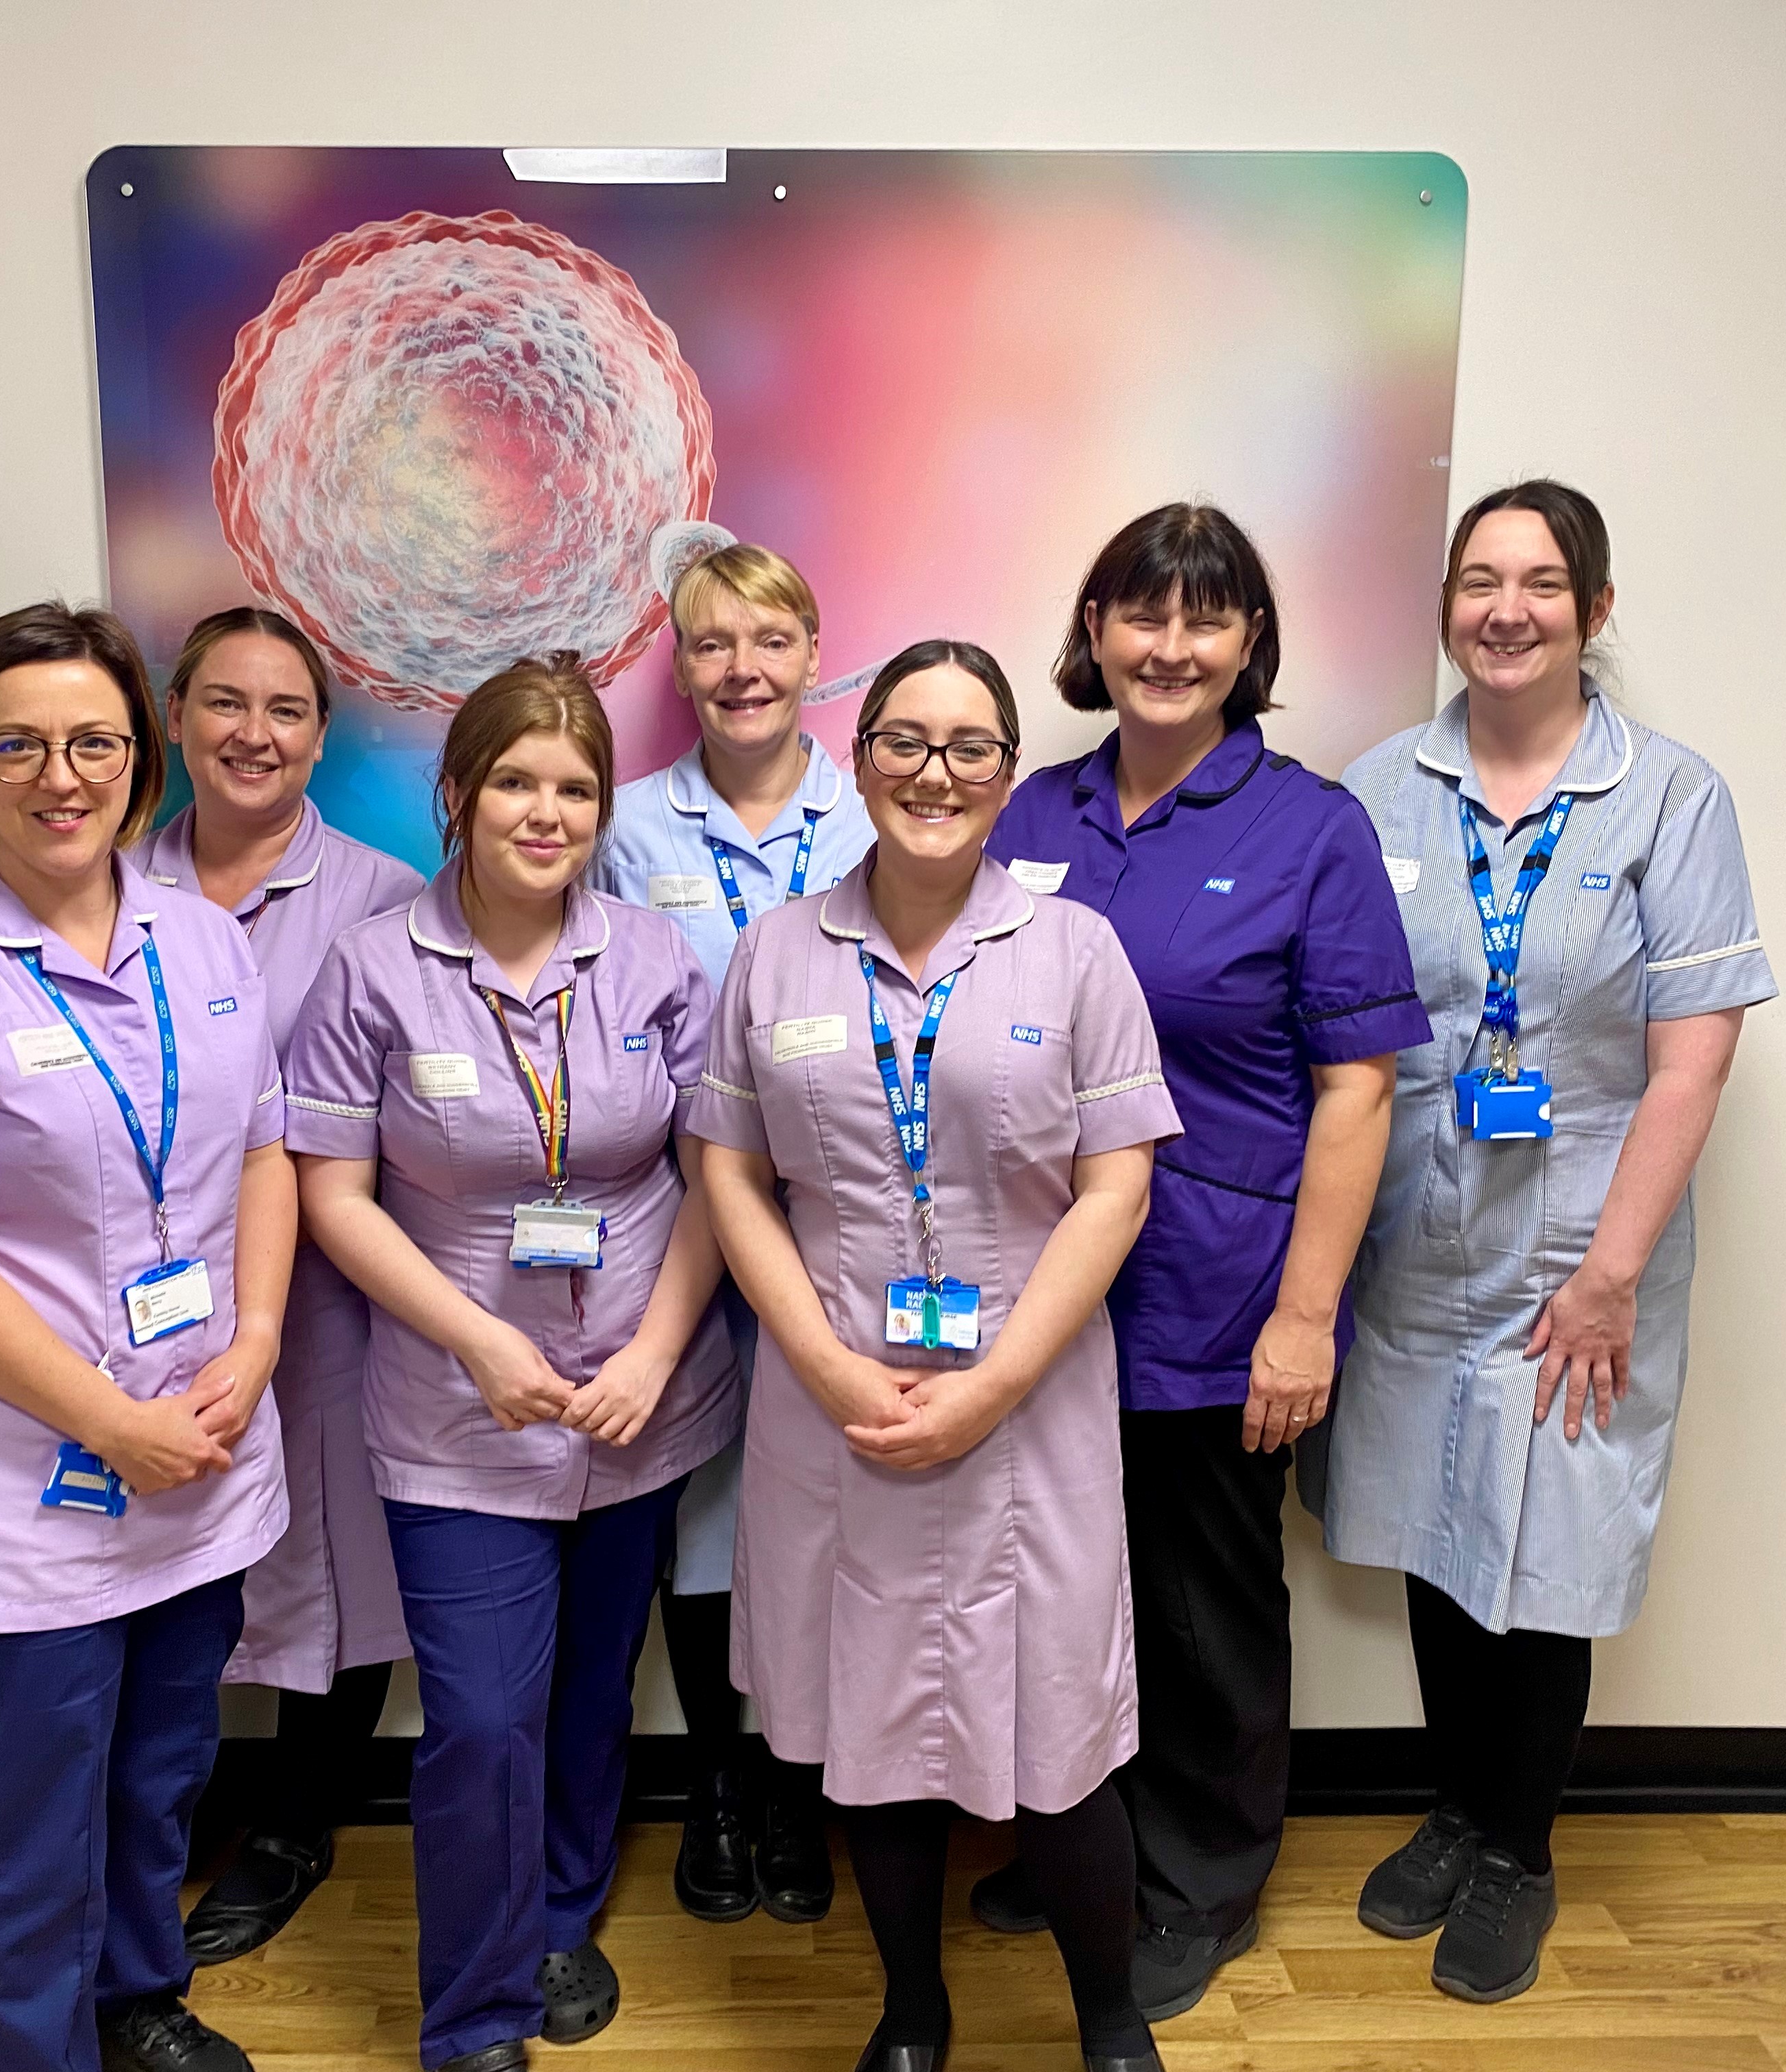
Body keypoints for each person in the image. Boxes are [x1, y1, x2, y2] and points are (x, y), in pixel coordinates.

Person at [689, 641, 1183, 2072]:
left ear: (1007, 775)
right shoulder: (779, 949)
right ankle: (913, 2010)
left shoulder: (1074, 950)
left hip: (1029, 1405)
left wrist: (997, 1383)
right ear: (860, 764)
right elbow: (730, 1173)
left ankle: (1111, 2021)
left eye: (971, 748)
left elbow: (1117, 1186)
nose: (935, 774)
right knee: (875, 1729)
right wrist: (829, 1365)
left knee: (1058, 1738)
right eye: (905, 742)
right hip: (835, 1405)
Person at [0, 602, 296, 2072]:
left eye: (93, 741)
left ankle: (137, 1998)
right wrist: (110, 1421)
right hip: (28, 1484)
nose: (60, 776)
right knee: (30, 1825)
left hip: (199, 1444)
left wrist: (256, 1342)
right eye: (16, 745)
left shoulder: (204, 941)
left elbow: (263, 1154)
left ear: (140, 757)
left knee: (159, 1778)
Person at [1319, 480, 1775, 2003]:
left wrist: (1610, 1275)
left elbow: (1693, 1060)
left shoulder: (1671, 799)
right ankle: (1459, 1807)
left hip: (1585, 1245)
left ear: (1595, 608)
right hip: (1419, 1244)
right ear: (1448, 603)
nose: (1504, 609)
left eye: (1539, 582)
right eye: (1478, 580)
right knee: (1438, 1531)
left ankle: (1519, 1846)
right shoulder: (1380, 791)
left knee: (1546, 1552)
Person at [975, 506, 1432, 2016]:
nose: (1170, 647)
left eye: (1206, 618)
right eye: (1142, 614)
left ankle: (1200, 1882)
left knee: (1198, 1608)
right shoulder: (1030, 816)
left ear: (1250, 644)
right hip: (1039, 1292)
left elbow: (1358, 1089)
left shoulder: (1309, 828)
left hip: (1215, 1294)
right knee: (1055, 1580)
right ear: (1094, 633)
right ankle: (1082, 1845)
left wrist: (1305, 1317)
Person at [284, 654, 739, 2072]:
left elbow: (716, 1176)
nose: (547, 813)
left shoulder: (653, 960)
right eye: (517, 783)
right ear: (462, 794)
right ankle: (474, 2015)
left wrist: (655, 1354)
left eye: (577, 788)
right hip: (455, 1408)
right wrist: (477, 1338)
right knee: (482, 1718)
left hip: (635, 1396)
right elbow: (331, 1194)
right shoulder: (373, 969)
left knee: (595, 1688)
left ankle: (557, 1919)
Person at [137, 608, 425, 1963]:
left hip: (326, 1293)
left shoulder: (382, 897)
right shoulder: (106, 880)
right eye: (225, 703)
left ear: (320, 737)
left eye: (287, 710)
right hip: (138, 1297)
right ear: (176, 717)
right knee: (158, 1546)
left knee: (332, 1547)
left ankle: (300, 1818)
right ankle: (161, 1812)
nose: (253, 735)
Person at [589, 542, 871, 1925]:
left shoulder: (877, 811)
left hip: (850, 1229)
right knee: (701, 1513)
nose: (742, 670)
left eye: (769, 640)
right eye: (711, 644)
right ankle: (715, 1779)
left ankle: (802, 1786)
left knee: (827, 1512)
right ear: (682, 666)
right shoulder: (629, 829)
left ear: (814, 653)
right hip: (686, 1227)